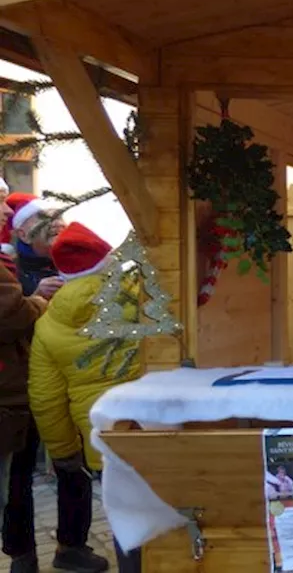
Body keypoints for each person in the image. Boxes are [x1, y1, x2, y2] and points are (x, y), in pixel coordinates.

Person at [27, 222, 140, 573]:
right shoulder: (139, 297)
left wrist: (63, 453)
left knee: (125, 517)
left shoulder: (48, 323)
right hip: (156, 425)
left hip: (101, 439)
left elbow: (46, 397)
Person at [0, 226, 49, 573]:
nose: (5, 212)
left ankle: (22, 554)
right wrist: (38, 301)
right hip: (6, 393)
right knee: (12, 481)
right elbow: (11, 314)